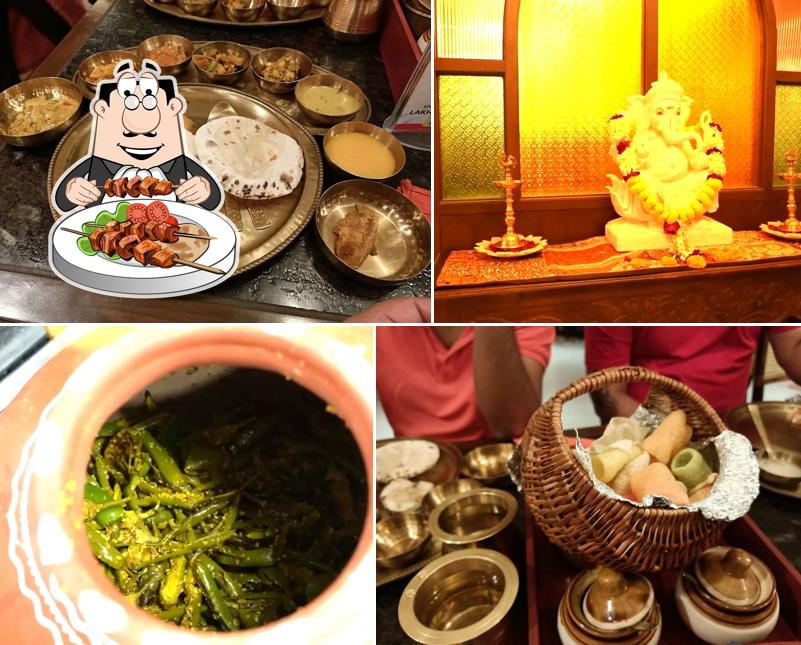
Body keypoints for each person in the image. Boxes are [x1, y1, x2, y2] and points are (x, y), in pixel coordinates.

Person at [53, 60, 221, 214]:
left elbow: (212, 196)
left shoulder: (180, 160)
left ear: (173, 109)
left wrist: (204, 189)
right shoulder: (97, 163)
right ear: (102, 111)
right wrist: (72, 191)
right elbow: (62, 200)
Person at [585, 326, 801, 422]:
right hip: (646, 435)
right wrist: (673, 437)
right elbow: (607, 393)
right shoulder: (623, 275)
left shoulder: (761, 261)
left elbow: (793, 350)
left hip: (730, 430)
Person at [376, 326, 555, 441]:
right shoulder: (379, 326)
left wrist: (490, 312)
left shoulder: (525, 304)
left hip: (497, 459)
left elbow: (515, 423)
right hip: (408, 465)